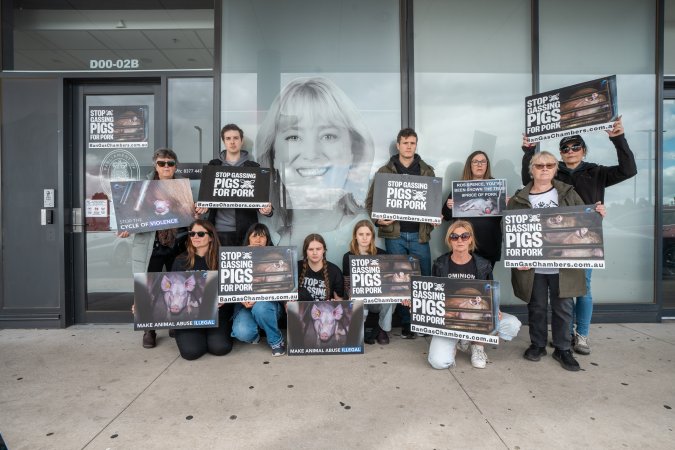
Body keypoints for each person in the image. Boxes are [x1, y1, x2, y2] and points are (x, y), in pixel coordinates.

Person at [521, 117, 637, 355]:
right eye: (565, 148)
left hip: (584, 240)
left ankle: (581, 334)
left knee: (582, 287)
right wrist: (528, 151)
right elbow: (529, 180)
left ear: (583, 150)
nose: (570, 151)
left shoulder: (597, 171)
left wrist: (618, 139)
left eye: (575, 147)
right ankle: (564, 336)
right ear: (560, 154)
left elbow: (629, 170)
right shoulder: (554, 173)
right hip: (554, 241)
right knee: (560, 292)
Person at [509, 151, 605, 372]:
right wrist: (517, 258)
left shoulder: (568, 194)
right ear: (531, 169)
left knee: (563, 307)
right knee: (537, 307)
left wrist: (597, 214)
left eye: (549, 165)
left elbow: (586, 221)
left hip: (564, 264)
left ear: (555, 169)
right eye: (539, 165)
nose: (544, 169)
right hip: (534, 266)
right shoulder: (519, 199)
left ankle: (563, 349)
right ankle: (538, 345)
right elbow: (510, 232)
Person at [256, 77, 375, 243]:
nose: (311, 154)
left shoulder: (370, 233)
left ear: (353, 151)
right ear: (273, 154)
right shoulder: (260, 229)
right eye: (294, 137)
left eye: (328, 136)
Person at [119, 148, 201, 349]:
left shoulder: (183, 188)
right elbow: (132, 216)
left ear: (175, 166)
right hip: (151, 245)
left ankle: (175, 323)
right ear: (155, 165)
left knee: (178, 285)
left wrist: (197, 215)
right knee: (149, 286)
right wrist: (127, 227)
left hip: (178, 244)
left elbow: (192, 219)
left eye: (170, 163)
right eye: (162, 163)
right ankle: (149, 329)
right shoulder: (142, 188)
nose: (166, 167)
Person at [365, 127, 436, 338]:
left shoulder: (426, 171)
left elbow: (432, 203)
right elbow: (370, 202)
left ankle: (422, 321)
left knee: (423, 279)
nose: (409, 146)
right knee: (400, 280)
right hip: (394, 235)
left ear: (416, 145)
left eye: (412, 143)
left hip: (419, 235)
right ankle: (407, 324)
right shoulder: (384, 172)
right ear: (398, 145)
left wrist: (434, 219)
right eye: (405, 143)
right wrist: (378, 219)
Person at [428, 220, 521, 369]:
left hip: (477, 319)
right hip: (450, 321)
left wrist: (495, 308)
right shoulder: (440, 264)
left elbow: (490, 292)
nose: (459, 240)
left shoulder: (483, 265)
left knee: (512, 324)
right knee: (438, 362)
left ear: (470, 239)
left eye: (464, 236)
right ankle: (458, 340)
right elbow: (433, 295)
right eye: (454, 236)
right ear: (449, 240)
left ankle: (478, 345)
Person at [171, 220, 233, 360]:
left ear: (211, 237)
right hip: (189, 316)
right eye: (192, 233)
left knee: (220, 348)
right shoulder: (181, 261)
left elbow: (233, 289)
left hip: (217, 313)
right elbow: (170, 292)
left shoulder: (224, 260)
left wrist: (224, 299)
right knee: (191, 352)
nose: (195, 237)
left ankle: (209, 336)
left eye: (200, 233)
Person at [208, 124, 273, 246]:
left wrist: (268, 210)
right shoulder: (213, 166)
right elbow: (206, 196)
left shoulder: (254, 168)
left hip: (247, 231)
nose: (232, 142)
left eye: (236, 138)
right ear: (224, 141)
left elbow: (263, 201)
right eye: (228, 138)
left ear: (241, 141)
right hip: (220, 231)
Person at [230, 223, 286, 356]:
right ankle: (256, 334)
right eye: (254, 236)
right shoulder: (236, 257)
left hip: (268, 306)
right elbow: (230, 286)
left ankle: (276, 341)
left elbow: (282, 285)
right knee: (242, 332)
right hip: (245, 307)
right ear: (248, 239)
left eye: (262, 237)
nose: (258, 240)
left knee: (260, 308)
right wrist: (241, 299)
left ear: (267, 241)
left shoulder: (277, 257)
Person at [442, 151, 505, 267]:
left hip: (489, 244)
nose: (479, 164)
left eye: (483, 162)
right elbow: (446, 216)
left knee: (486, 282)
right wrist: (448, 206)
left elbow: (503, 216)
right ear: (469, 165)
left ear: (487, 165)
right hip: (464, 244)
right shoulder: (459, 188)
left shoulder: (497, 187)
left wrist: (505, 204)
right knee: (465, 284)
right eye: (475, 162)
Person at [342, 220, 393, 345]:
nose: (364, 238)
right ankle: (359, 327)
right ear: (355, 236)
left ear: (372, 236)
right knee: (358, 292)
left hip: (377, 300)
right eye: (361, 234)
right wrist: (351, 294)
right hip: (359, 300)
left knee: (391, 296)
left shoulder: (382, 254)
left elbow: (388, 282)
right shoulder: (348, 256)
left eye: (368, 234)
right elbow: (347, 282)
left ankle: (382, 330)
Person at [298, 234, 344, 302]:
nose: (315, 252)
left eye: (318, 249)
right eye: (311, 249)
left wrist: (334, 304)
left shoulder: (334, 271)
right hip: (301, 311)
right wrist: (287, 305)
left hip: (325, 311)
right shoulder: (297, 267)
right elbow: (287, 297)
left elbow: (339, 300)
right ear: (305, 251)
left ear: (324, 250)